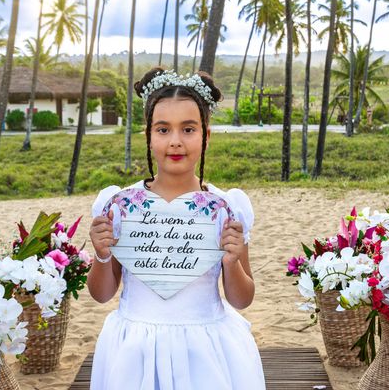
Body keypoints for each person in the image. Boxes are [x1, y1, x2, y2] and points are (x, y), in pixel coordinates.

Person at [88, 68, 265, 389]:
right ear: (149, 135)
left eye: (188, 129)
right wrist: (101, 256)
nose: (175, 141)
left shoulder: (226, 208)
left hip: (206, 350)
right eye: (163, 129)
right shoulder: (119, 205)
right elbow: (101, 295)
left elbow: (242, 300)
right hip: (134, 349)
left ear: (206, 134)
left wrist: (232, 261)